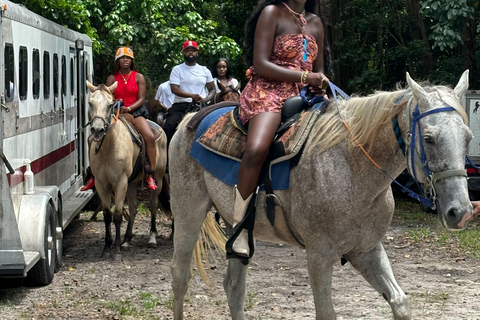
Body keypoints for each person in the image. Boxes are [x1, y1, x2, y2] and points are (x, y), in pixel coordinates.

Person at [230, 0, 329, 258]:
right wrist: (305, 78)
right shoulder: (272, 13)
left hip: (306, 94)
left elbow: (319, 70)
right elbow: (261, 63)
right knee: (257, 148)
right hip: (269, 91)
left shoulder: (316, 22)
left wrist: (320, 83)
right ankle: (239, 226)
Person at [81, 46, 159, 191]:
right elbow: (106, 97)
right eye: (122, 58)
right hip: (115, 113)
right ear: (117, 60)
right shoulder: (112, 78)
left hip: (135, 112)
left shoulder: (138, 77)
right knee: (91, 139)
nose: (125, 60)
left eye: (128, 58)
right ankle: (93, 173)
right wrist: (116, 105)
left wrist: (129, 107)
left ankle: (150, 173)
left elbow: (142, 98)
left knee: (149, 137)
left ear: (132, 60)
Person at [163, 40, 216, 145]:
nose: (191, 53)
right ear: (183, 52)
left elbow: (212, 89)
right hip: (181, 105)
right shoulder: (177, 69)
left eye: (193, 50)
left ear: (197, 53)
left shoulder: (204, 70)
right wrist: (191, 95)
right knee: (169, 127)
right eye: (188, 51)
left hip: (201, 106)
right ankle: (168, 157)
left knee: (215, 127)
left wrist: (205, 99)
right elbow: (174, 88)